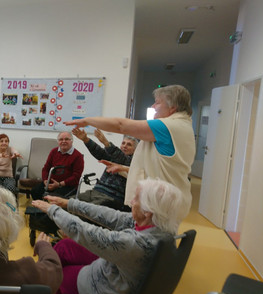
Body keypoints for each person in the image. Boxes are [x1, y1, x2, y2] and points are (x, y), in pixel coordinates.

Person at [32, 178, 190, 294]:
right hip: (116, 270)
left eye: (136, 199)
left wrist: (52, 210)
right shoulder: (162, 226)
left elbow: (87, 232)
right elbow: (112, 216)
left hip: (104, 292)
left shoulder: (134, 243)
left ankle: (47, 291)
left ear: (147, 211)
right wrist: (69, 203)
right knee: (64, 247)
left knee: (56, 276)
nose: (131, 202)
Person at [64, 84, 195, 207]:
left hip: (160, 200)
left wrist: (87, 120)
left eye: (157, 102)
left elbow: (121, 126)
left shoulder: (169, 126)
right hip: (163, 197)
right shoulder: (181, 126)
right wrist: (123, 168)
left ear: (173, 107)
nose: (153, 106)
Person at [72, 128, 138, 210]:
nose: (125, 146)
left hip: (112, 198)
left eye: (129, 144)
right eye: (123, 143)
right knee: (68, 202)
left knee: (81, 209)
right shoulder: (114, 156)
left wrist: (106, 142)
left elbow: (121, 158)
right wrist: (86, 140)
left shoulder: (134, 162)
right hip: (96, 191)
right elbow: (100, 152)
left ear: (135, 150)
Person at [31, 131, 84, 200]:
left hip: (68, 186)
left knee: (54, 198)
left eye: (67, 139)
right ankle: (41, 209)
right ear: (58, 141)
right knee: (35, 191)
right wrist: (45, 180)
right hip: (51, 182)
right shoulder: (54, 151)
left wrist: (59, 184)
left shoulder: (78, 156)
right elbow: (45, 168)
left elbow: (76, 177)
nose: (63, 141)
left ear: (72, 141)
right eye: (61, 139)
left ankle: (50, 210)